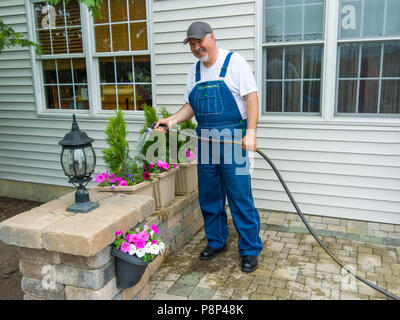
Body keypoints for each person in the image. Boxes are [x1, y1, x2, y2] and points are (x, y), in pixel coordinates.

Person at [155, 21, 263, 272]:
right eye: (191, 44)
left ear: (211, 38)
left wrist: (251, 133)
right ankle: (216, 241)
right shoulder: (193, 72)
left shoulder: (234, 62)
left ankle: (249, 249)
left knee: (239, 195)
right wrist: (170, 120)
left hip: (233, 138)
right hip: (205, 140)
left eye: (198, 42)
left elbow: (252, 97)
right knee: (210, 195)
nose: (195, 47)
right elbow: (190, 107)